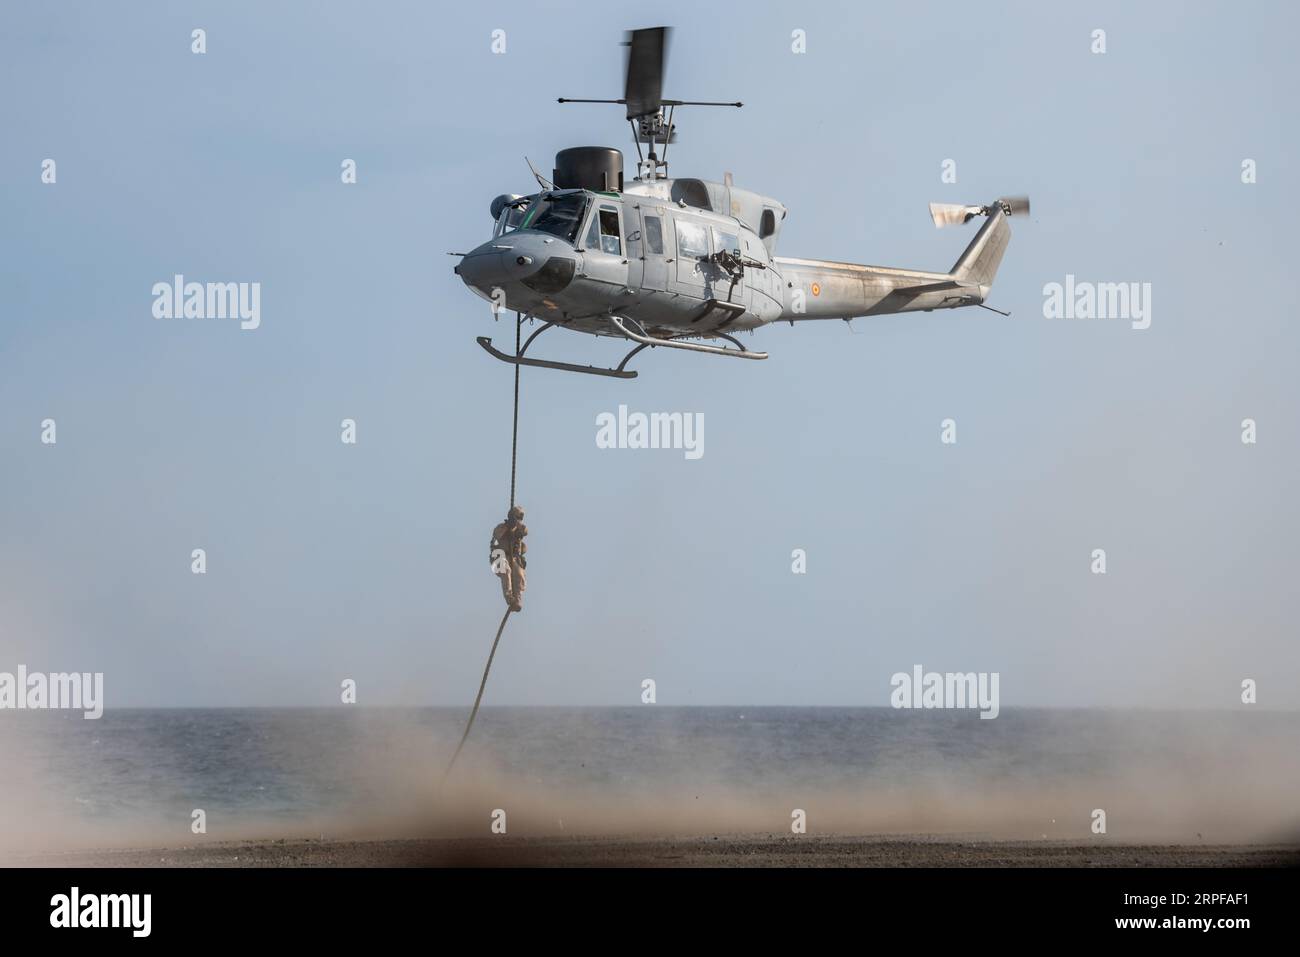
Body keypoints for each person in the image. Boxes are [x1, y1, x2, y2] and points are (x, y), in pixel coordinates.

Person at [489, 505, 527, 612]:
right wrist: (508, 528)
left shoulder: (518, 531)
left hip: (513, 558)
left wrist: (517, 529)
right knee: (506, 570)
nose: (518, 521)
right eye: (516, 518)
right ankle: (510, 598)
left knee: (519, 574)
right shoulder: (501, 527)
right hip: (498, 557)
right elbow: (496, 535)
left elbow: (525, 531)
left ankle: (517, 599)